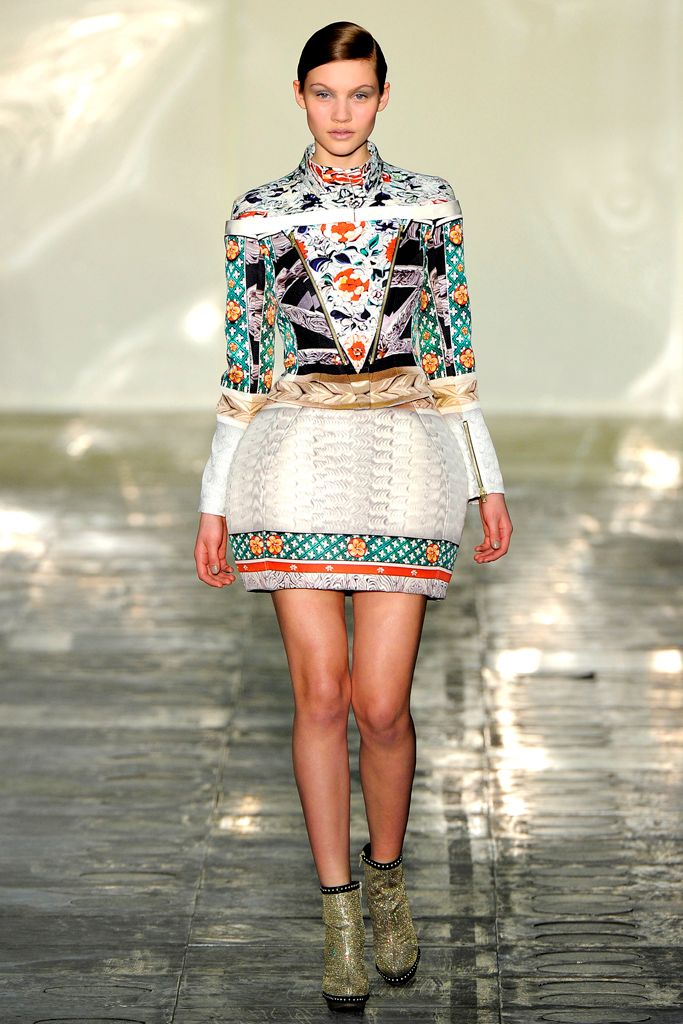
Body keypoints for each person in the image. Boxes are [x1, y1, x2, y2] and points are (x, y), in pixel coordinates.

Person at [194, 20, 512, 1013]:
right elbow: (244, 366)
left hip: (406, 456)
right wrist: (212, 500)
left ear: (382, 95)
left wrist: (485, 480)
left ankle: (386, 878)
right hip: (288, 458)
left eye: (359, 92)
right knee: (321, 698)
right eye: (324, 93)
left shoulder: (427, 202)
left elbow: (452, 352)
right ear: (299, 96)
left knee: (381, 706)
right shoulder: (259, 215)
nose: (341, 112)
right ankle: (338, 915)